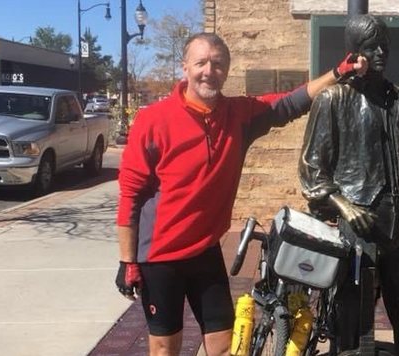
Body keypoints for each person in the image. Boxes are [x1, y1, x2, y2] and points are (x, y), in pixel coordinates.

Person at [115, 32, 367, 356]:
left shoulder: (238, 115)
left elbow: (289, 103)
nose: (209, 70)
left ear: (227, 70)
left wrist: (337, 73)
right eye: (201, 62)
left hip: (205, 250)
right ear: (184, 68)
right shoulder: (153, 120)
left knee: (224, 344)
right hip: (160, 257)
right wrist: (127, 261)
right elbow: (130, 196)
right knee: (165, 348)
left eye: (218, 64)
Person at [298, 15, 399, 356]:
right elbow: (312, 170)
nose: (380, 54)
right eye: (371, 47)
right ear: (354, 52)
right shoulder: (334, 100)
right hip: (359, 229)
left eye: (384, 47)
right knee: (353, 329)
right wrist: (344, 207)